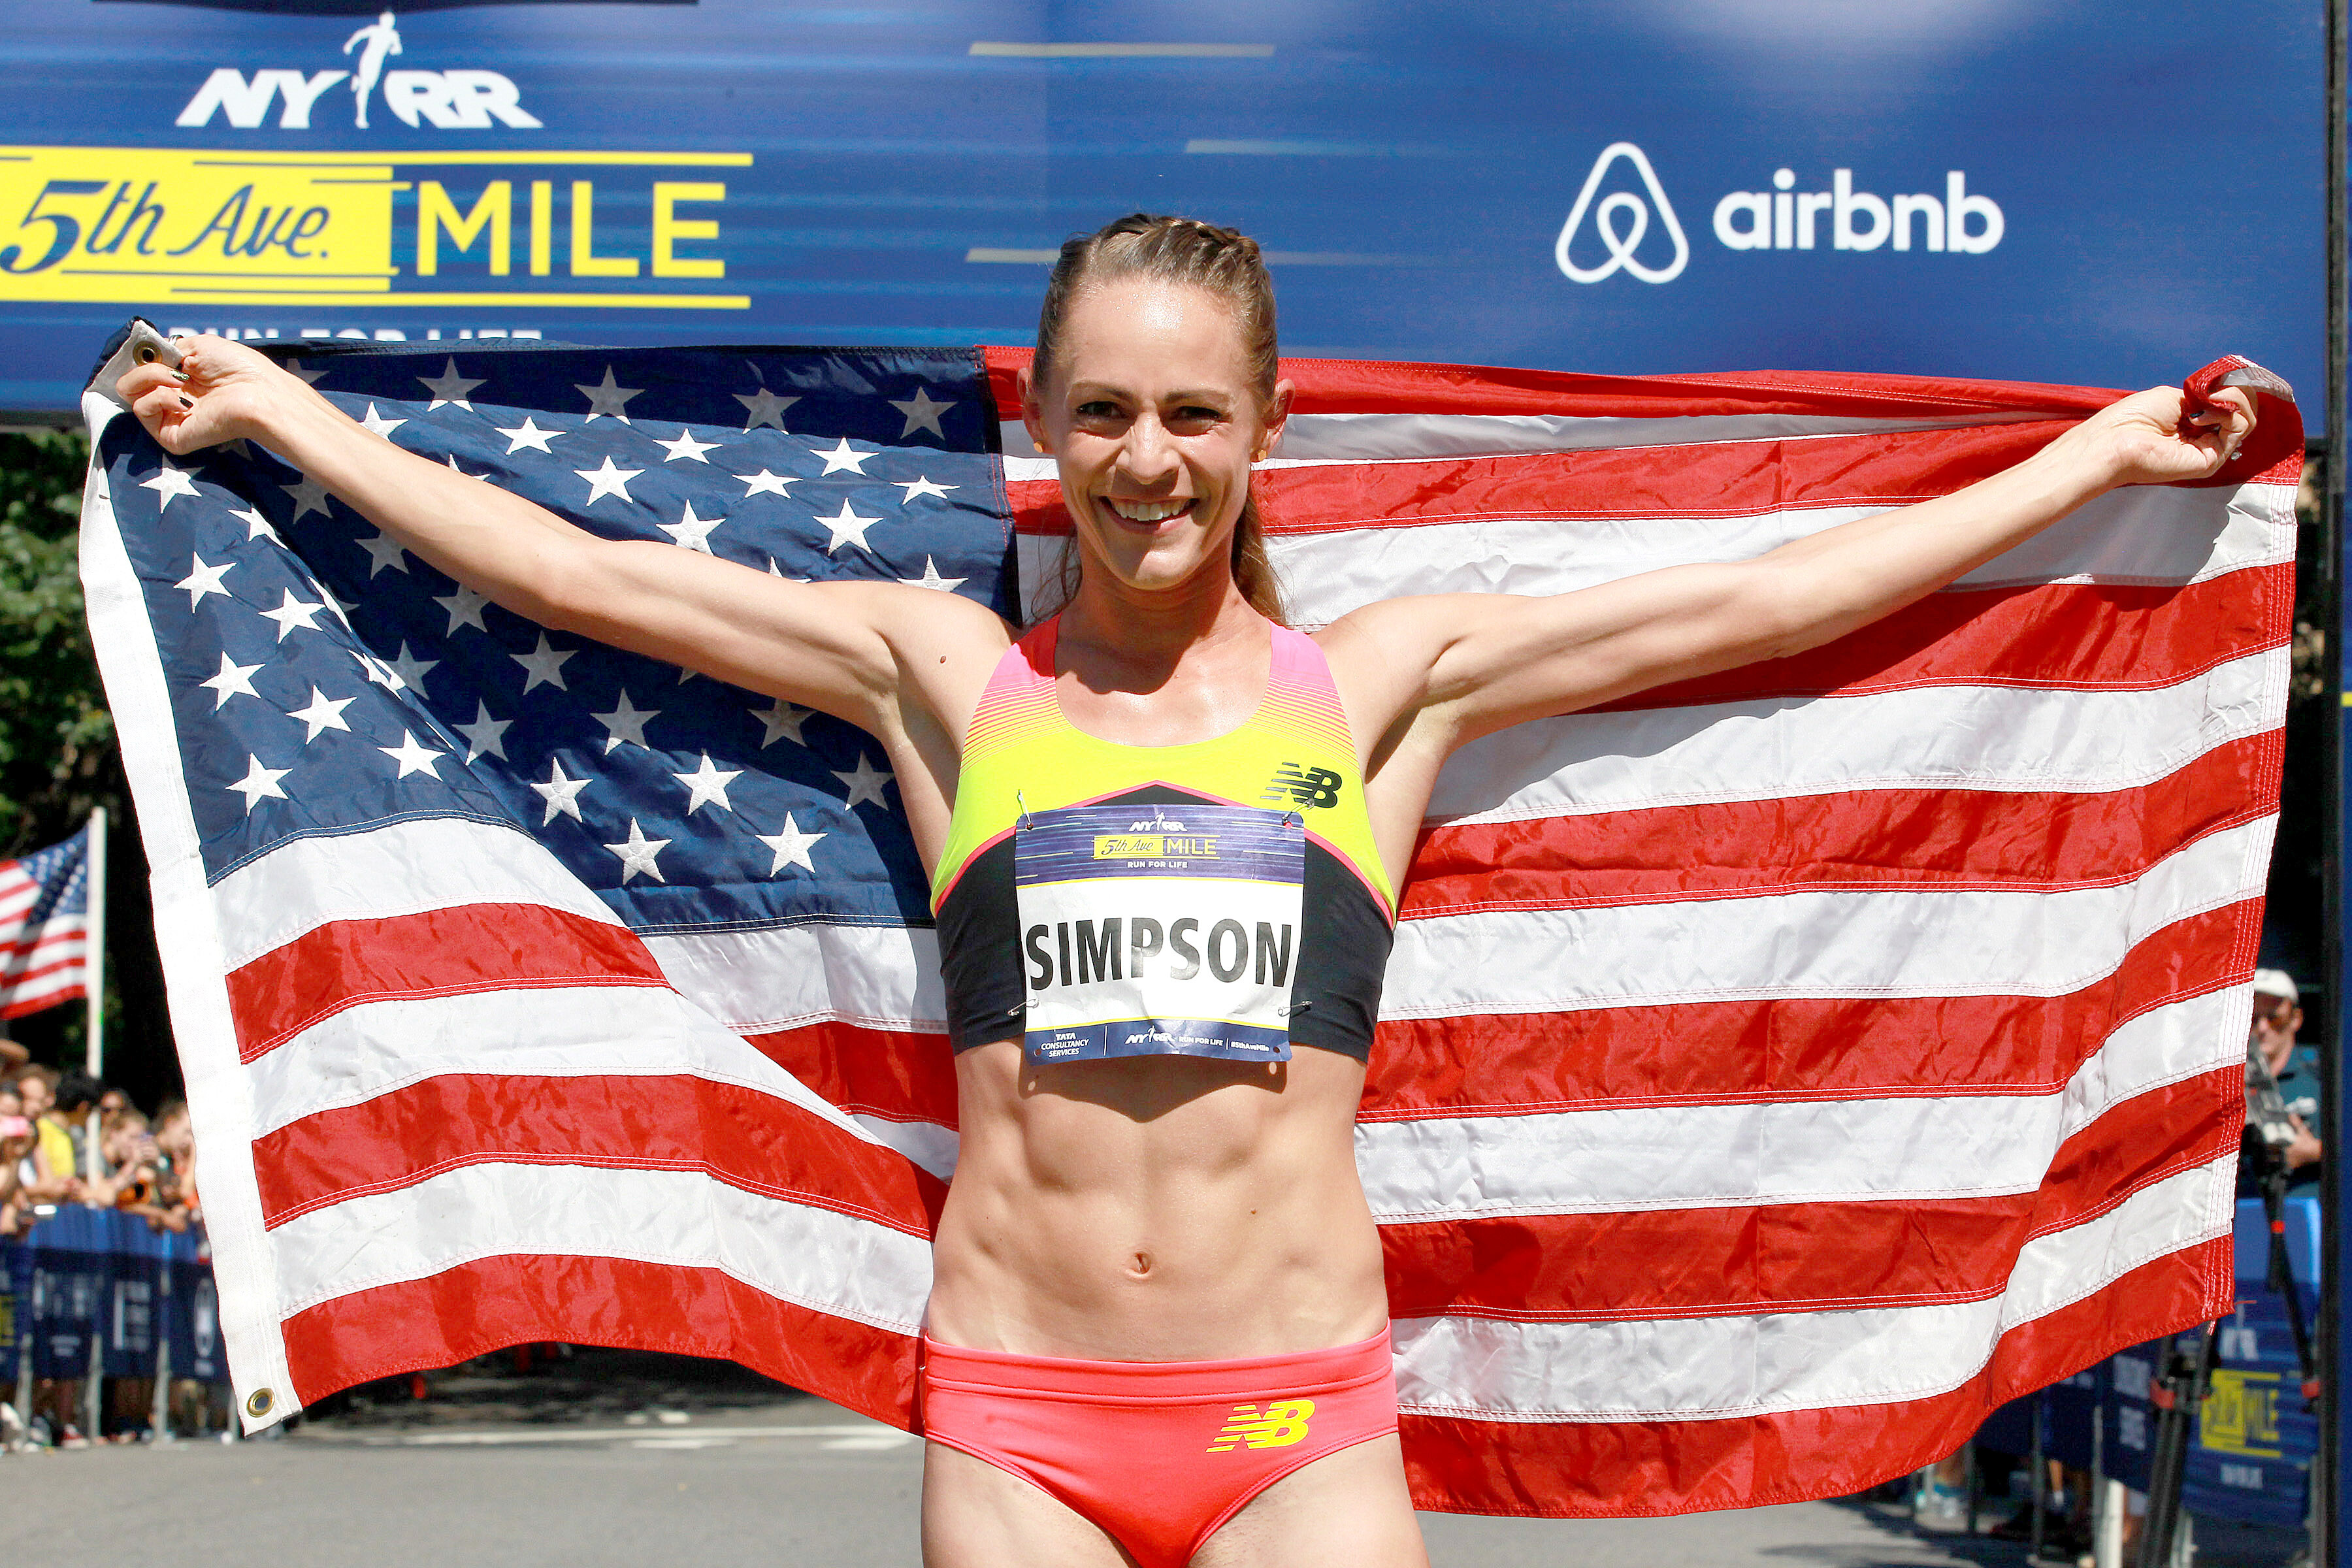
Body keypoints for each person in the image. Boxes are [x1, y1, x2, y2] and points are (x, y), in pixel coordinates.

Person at [117, 212, 2255, 1567]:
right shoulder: (943, 677)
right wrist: (291, 418)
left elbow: (1764, 599)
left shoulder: (1390, 685)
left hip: (1294, 1423)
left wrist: (2090, 464)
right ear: (1049, 424)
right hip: (1021, 1422)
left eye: (1197, 415)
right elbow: (587, 580)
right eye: (1109, 411)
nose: (1151, 458)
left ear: (1267, 426)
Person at [2249, 968, 2322, 1186]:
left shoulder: (2325, 1073)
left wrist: (2316, 1152)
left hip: (2313, 1203)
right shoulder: (2221, 1082)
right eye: (2252, 1018)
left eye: (2274, 1019)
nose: (2263, 1028)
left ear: (2296, 1018)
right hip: (2244, 1203)